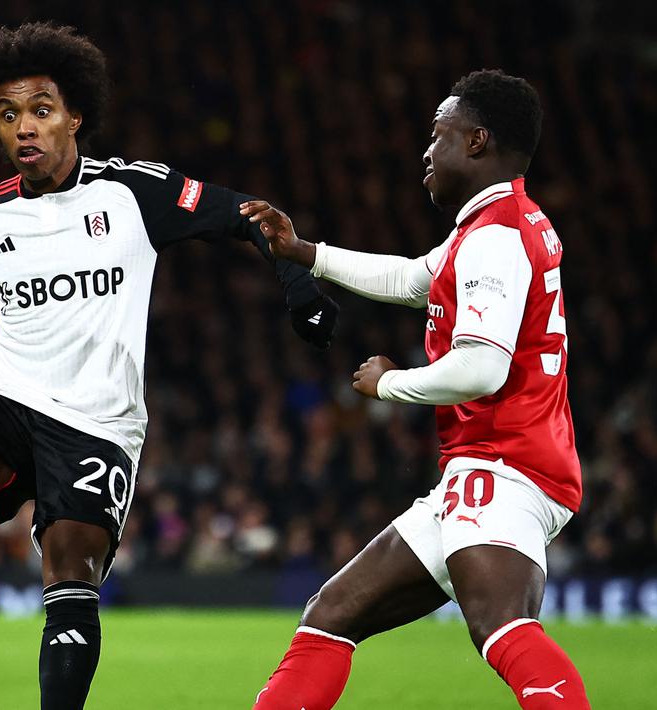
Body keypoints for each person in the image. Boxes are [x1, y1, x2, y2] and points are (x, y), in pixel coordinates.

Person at [0, 21, 338, 710]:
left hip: (98, 423)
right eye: (8, 114)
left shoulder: (134, 193)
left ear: (74, 115)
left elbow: (251, 214)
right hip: (7, 394)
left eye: (40, 110)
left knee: (69, 568)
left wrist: (298, 284)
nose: (24, 128)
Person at [246, 70, 590, 709]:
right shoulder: (494, 226)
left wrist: (388, 384)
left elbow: (482, 368)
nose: (427, 152)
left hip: (505, 462)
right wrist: (304, 253)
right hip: (498, 461)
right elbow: (412, 279)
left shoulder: (495, 238)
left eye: (439, 135)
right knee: (332, 613)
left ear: (478, 141)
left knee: (501, 625)